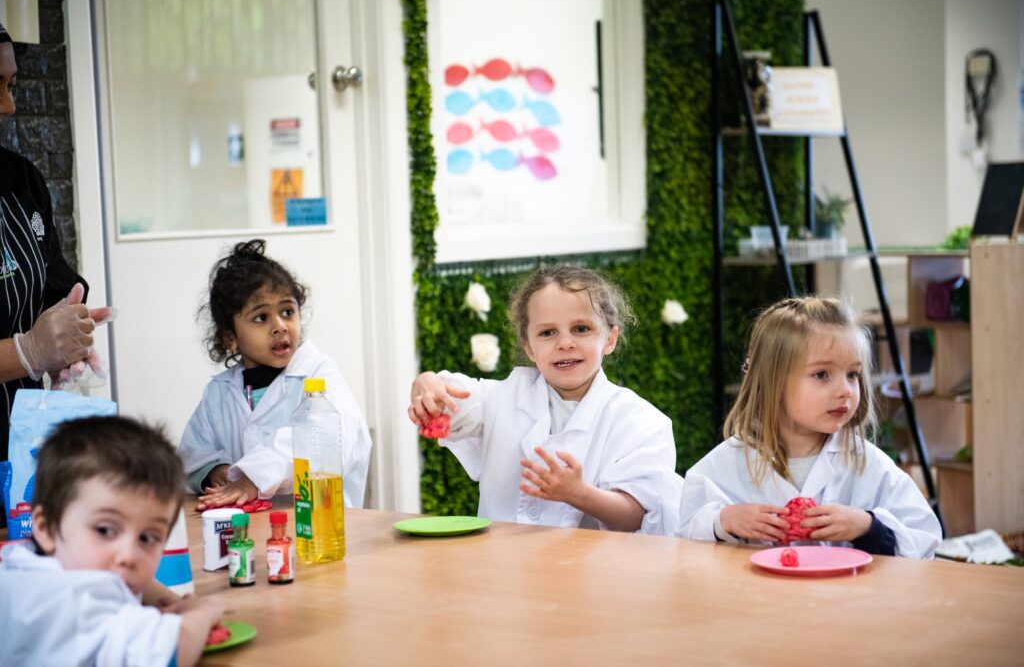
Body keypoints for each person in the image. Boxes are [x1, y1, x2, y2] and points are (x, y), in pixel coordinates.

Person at [409, 265, 681, 534]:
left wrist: (579, 494)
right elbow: (454, 399)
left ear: (609, 339)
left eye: (581, 328)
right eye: (547, 333)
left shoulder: (640, 422)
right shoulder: (503, 396)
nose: (565, 343)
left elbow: (637, 517)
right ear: (528, 346)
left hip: (590, 573)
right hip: (502, 568)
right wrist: (427, 385)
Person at [675, 297, 941, 558]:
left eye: (852, 374)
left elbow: (924, 541)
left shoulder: (869, 464)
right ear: (771, 382)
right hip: (756, 599)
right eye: (822, 375)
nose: (845, 390)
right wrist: (723, 522)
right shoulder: (724, 464)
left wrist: (868, 527)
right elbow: (678, 536)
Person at [0, 416, 224, 666]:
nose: (128, 555)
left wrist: (171, 601)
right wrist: (201, 612)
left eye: (147, 538)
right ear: (46, 526)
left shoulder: (21, 565)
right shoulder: (79, 599)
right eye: (105, 531)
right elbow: (168, 654)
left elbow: (118, 577)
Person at [178, 239, 372, 508]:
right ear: (230, 338)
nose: (280, 326)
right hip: (253, 534)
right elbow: (193, 451)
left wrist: (253, 478)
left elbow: (331, 440)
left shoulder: (319, 372)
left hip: (321, 531)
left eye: (287, 312)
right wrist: (216, 471)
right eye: (261, 318)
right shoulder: (219, 392)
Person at [0, 23, 110, 462]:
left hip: (21, 443)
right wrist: (27, 351)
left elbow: (52, 282)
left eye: (11, 85)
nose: (8, 107)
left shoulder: (21, 179)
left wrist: (69, 335)